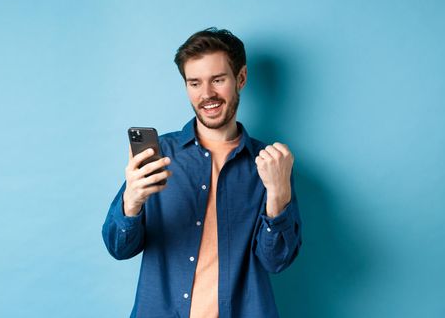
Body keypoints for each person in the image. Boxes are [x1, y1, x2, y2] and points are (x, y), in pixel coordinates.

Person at [102, 27, 302, 318]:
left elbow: (276, 261)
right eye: (194, 83)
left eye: (218, 80)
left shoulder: (270, 164)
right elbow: (119, 248)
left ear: (241, 78)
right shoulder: (159, 154)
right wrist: (131, 202)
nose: (206, 94)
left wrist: (278, 195)